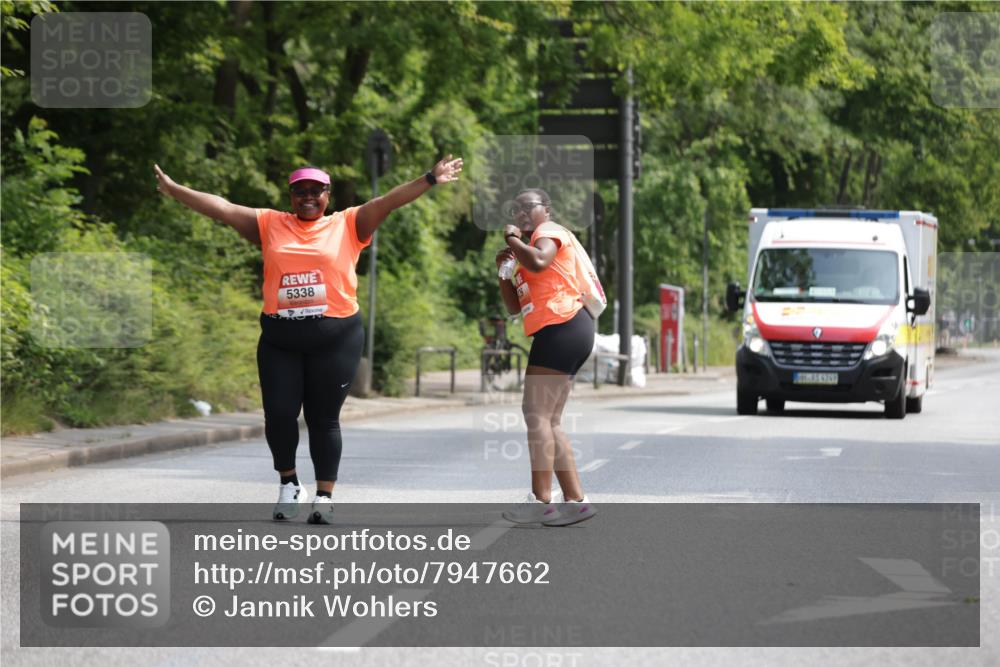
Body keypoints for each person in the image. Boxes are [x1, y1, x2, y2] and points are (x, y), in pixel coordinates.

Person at [154, 156, 463, 524]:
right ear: (291, 196)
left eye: (316, 191)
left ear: (327, 195)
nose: (308, 198)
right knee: (280, 415)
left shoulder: (348, 223)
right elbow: (221, 207)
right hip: (280, 339)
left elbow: (387, 202)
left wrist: (429, 178)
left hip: (337, 338)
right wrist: (174, 190)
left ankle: (324, 496)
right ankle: (289, 484)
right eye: (301, 192)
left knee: (323, 419)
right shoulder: (270, 224)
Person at [495, 188, 597, 526]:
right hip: (564, 329)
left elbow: (540, 259)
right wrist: (504, 275)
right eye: (516, 208)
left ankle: (541, 500)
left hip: (563, 325)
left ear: (547, 211)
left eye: (529, 207)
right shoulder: (527, 250)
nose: (522, 213)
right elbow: (514, 307)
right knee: (548, 420)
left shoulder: (548, 234)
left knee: (534, 413)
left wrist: (513, 241)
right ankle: (576, 501)